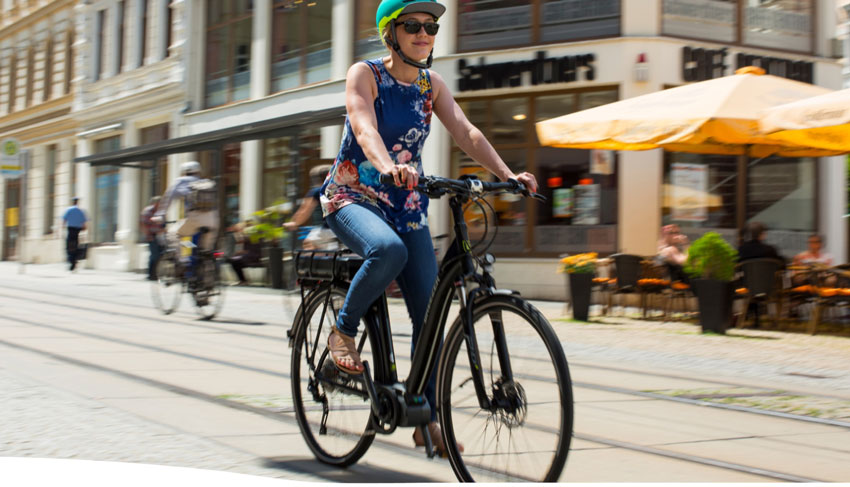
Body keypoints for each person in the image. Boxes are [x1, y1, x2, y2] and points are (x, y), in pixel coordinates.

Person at [319, 0, 538, 455]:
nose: (424, 33)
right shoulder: (365, 74)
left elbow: (466, 131)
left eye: (431, 26)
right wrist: (385, 165)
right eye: (413, 25)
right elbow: (363, 126)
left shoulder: (429, 84)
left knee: (431, 316)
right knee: (388, 250)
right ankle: (342, 330)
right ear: (390, 33)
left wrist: (507, 174)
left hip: (408, 202)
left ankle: (425, 416)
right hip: (354, 194)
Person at [152, 160, 220, 256]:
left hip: (194, 219)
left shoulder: (181, 181)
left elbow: (168, 198)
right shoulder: (206, 183)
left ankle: (182, 261)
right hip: (212, 220)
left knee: (173, 234)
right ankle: (208, 264)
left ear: (184, 172)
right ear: (198, 171)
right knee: (205, 251)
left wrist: (160, 215)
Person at [283, 164, 337, 250]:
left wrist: (294, 223)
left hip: (324, 230)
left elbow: (304, 210)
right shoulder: (338, 190)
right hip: (340, 230)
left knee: (308, 245)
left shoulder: (317, 191)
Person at [227, 221, 264, 286]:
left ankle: (243, 280)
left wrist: (239, 253)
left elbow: (251, 249)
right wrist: (238, 253)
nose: (241, 231)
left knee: (235, 261)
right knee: (233, 261)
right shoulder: (246, 236)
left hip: (253, 256)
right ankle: (243, 280)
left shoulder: (252, 236)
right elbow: (244, 249)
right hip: (248, 255)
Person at [61, 196, 88, 271]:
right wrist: (84, 230)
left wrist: (62, 227)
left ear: (73, 202)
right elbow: (84, 223)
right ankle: (75, 261)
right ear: (78, 202)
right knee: (76, 245)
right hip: (77, 230)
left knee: (69, 245)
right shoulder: (81, 211)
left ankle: (71, 261)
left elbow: (64, 220)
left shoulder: (69, 210)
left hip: (70, 229)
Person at [140, 196, 162, 280]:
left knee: (159, 255)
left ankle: (155, 274)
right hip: (151, 236)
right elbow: (144, 224)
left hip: (158, 235)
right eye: (160, 203)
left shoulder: (158, 212)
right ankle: (151, 275)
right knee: (154, 255)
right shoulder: (148, 211)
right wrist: (148, 235)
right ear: (156, 203)